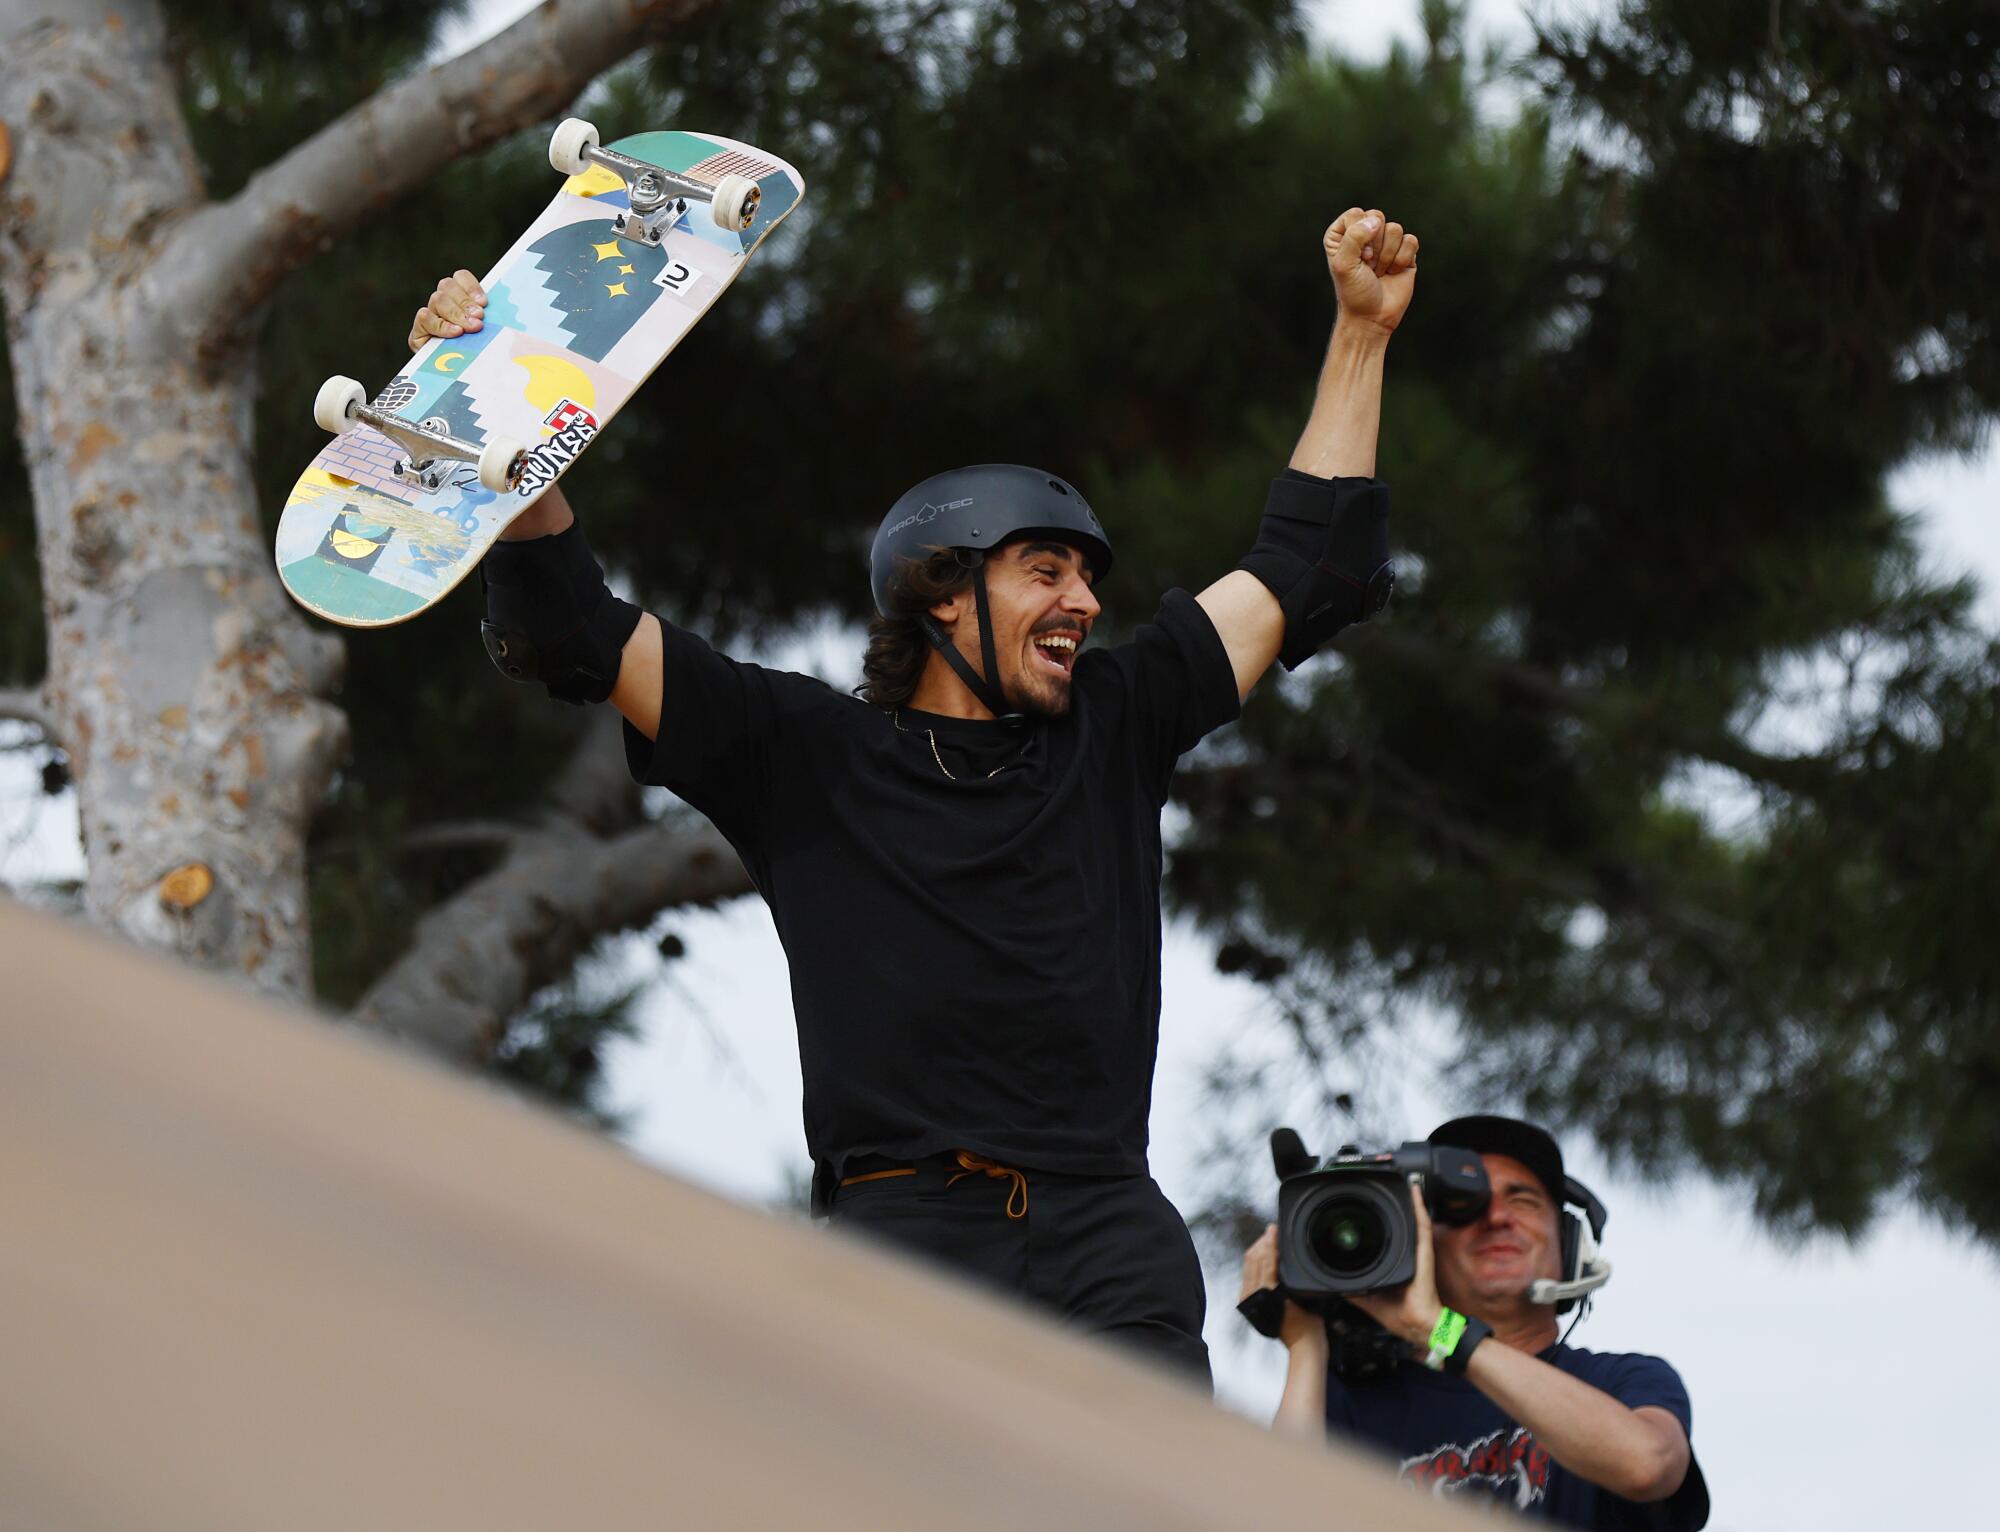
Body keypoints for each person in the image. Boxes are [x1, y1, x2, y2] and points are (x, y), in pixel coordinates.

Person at [408, 206, 1416, 1387]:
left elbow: (1311, 570)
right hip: (905, 1241)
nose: (1085, 603)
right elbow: (565, 626)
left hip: (1110, 1238)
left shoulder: (1117, 720)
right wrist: (501, 421)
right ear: (943, 595)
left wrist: (1359, 332)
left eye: (1089, 578)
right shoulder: (802, 752)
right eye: (1045, 571)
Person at [1239, 1115, 1710, 1527]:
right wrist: (1305, 1345)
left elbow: (1648, 1465)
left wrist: (1441, 1332)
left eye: (1522, 1199)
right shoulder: (1353, 1403)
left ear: (1567, 1244)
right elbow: (1273, 1516)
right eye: (1467, 1206)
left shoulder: (1622, 1381)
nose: (1496, 1217)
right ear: (1425, 1243)